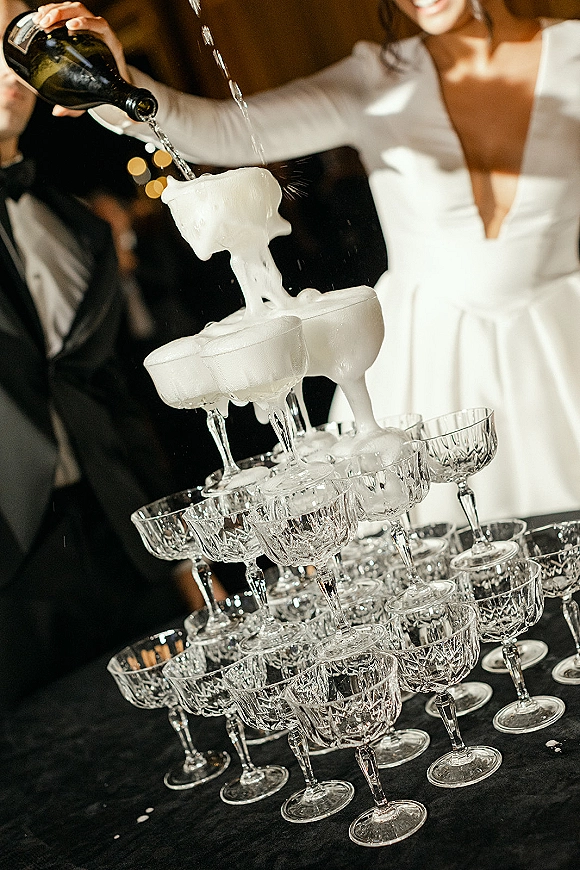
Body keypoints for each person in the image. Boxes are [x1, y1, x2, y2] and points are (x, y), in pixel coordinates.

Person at [34, 0, 580, 525]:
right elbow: (226, 130)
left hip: (561, 345)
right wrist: (122, 83)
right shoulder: (377, 79)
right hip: (423, 362)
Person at [0, 0, 212, 711]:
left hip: (119, 552)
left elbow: (110, 402)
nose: (6, 69)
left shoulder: (75, 227)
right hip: (13, 582)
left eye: (16, 41)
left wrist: (177, 559)